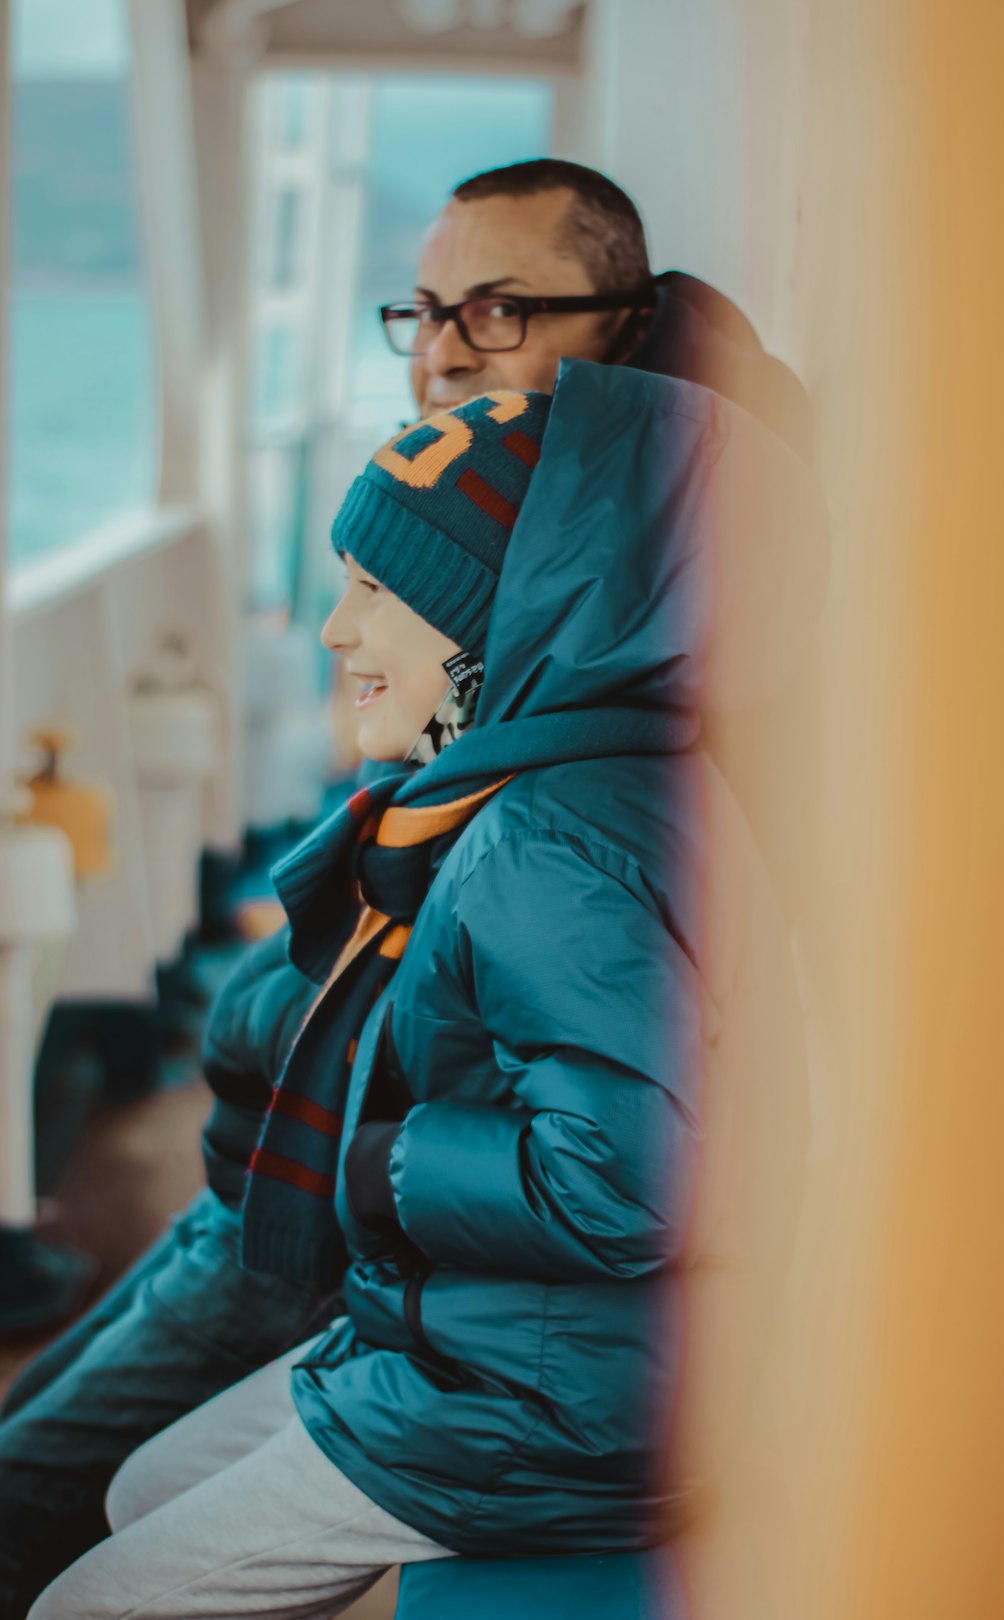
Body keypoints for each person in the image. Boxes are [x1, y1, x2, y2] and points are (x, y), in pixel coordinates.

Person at [0, 158, 823, 1614]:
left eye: (496, 312)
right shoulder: (527, 625)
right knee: (82, 1445)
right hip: (362, 1186)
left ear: (623, 325)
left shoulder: (615, 669)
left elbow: (625, 1117)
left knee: (43, 1487)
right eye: (426, 310)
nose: (443, 350)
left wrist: (374, 1162)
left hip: (428, 1255)